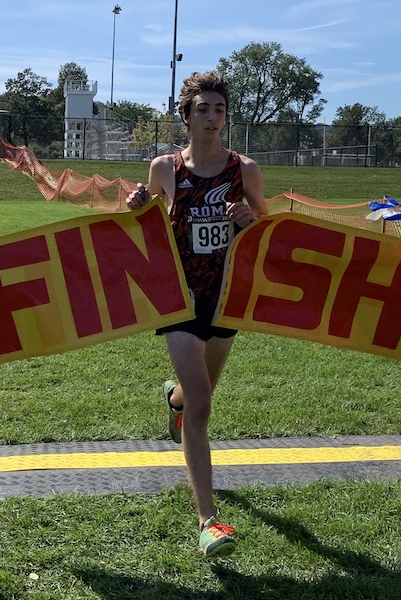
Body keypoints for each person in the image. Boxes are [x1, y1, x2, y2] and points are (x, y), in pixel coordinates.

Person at [125, 71, 267, 557]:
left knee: (198, 393)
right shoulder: (164, 168)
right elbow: (145, 223)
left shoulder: (244, 169)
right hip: (179, 296)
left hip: (226, 296)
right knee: (204, 405)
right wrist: (136, 205)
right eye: (202, 109)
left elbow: (269, 227)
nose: (212, 117)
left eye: (219, 109)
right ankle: (208, 520)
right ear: (185, 115)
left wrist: (250, 219)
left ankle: (175, 400)